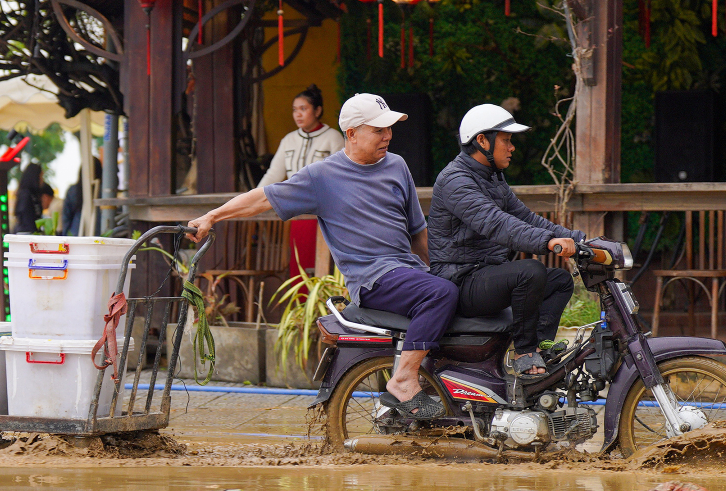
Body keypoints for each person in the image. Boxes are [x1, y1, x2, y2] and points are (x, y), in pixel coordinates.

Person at [188, 93, 457, 419]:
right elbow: (262, 199)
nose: (387, 136)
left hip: (408, 272)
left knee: (460, 292)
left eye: (389, 128)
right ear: (352, 133)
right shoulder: (322, 176)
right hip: (373, 280)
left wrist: (442, 270)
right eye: (378, 129)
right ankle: (403, 381)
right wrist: (212, 217)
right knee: (441, 293)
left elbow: (418, 232)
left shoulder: (397, 166)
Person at [428, 104, 585, 378]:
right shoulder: (455, 180)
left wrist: (580, 240)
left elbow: (525, 218)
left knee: (560, 281)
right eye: (506, 140)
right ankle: (524, 353)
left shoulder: (493, 177)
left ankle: (542, 345)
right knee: (530, 271)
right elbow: (497, 224)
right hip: (460, 278)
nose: (512, 147)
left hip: (486, 274)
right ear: (481, 140)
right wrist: (549, 242)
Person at [258, 84, 345, 188]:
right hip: (294, 200)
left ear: (317, 111)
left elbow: (341, 175)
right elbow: (273, 174)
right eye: (295, 110)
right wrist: (253, 197)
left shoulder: (333, 137)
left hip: (323, 200)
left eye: (303, 109)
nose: (297, 114)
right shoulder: (289, 140)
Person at [14, 164, 55, 233]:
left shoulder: (33, 195)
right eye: (41, 177)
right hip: (26, 233)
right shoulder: (26, 195)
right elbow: (26, 217)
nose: (42, 180)